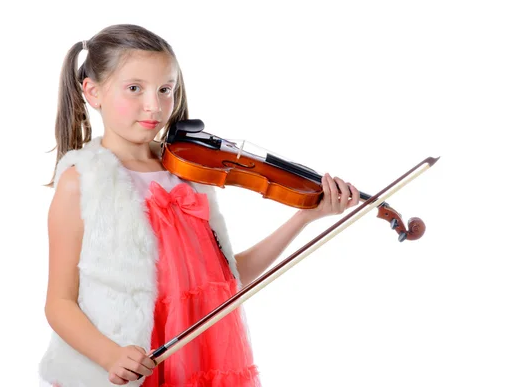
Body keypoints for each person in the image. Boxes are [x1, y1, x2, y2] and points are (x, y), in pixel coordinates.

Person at [38, 24, 359, 387]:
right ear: (92, 92)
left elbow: (227, 280)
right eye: (134, 89)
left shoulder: (190, 176)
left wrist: (306, 216)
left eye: (165, 90)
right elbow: (59, 304)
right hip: (128, 366)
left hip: (205, 360)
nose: (153, 105)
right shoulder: (82, 182)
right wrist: (110, 355)